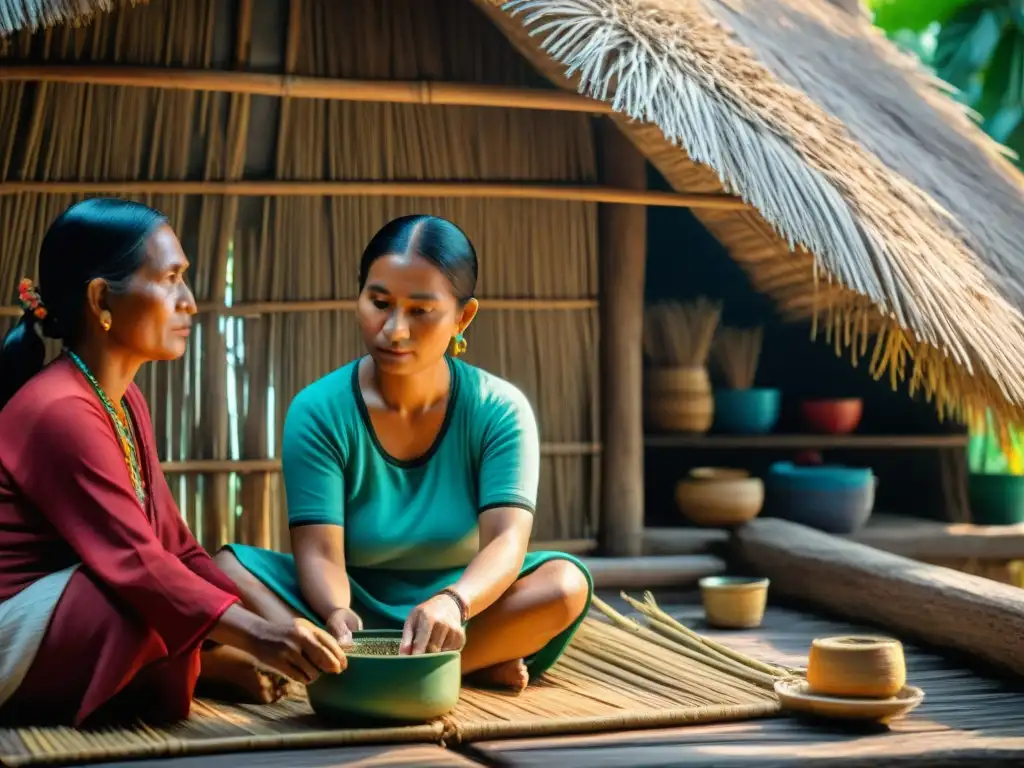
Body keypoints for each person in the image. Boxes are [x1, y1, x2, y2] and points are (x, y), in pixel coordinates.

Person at [0, 198, 347, 727]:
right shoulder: (59, 409)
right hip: (23, 620)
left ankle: (201, 662)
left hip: (85, 594)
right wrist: (256, 634)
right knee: (133, 607)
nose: (189, 301)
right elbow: (136, 562)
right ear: (101, 298)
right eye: (170, 278)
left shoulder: (122, 399)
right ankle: (206, 667)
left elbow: (176, 546)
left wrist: (275, 621)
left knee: (198, 589)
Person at [218, 214, 593, 690]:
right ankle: (460, 664)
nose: (394, 330)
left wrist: (454, 602)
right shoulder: (318, 410)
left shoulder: (500, 410)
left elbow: (506, 543)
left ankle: (355, 670)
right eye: (379, 303)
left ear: (463, 316)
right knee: (224, 570)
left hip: (463, 606)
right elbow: (319, 551)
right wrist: (336, 611)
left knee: (564, 585)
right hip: (345, 605)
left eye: (421, 311)